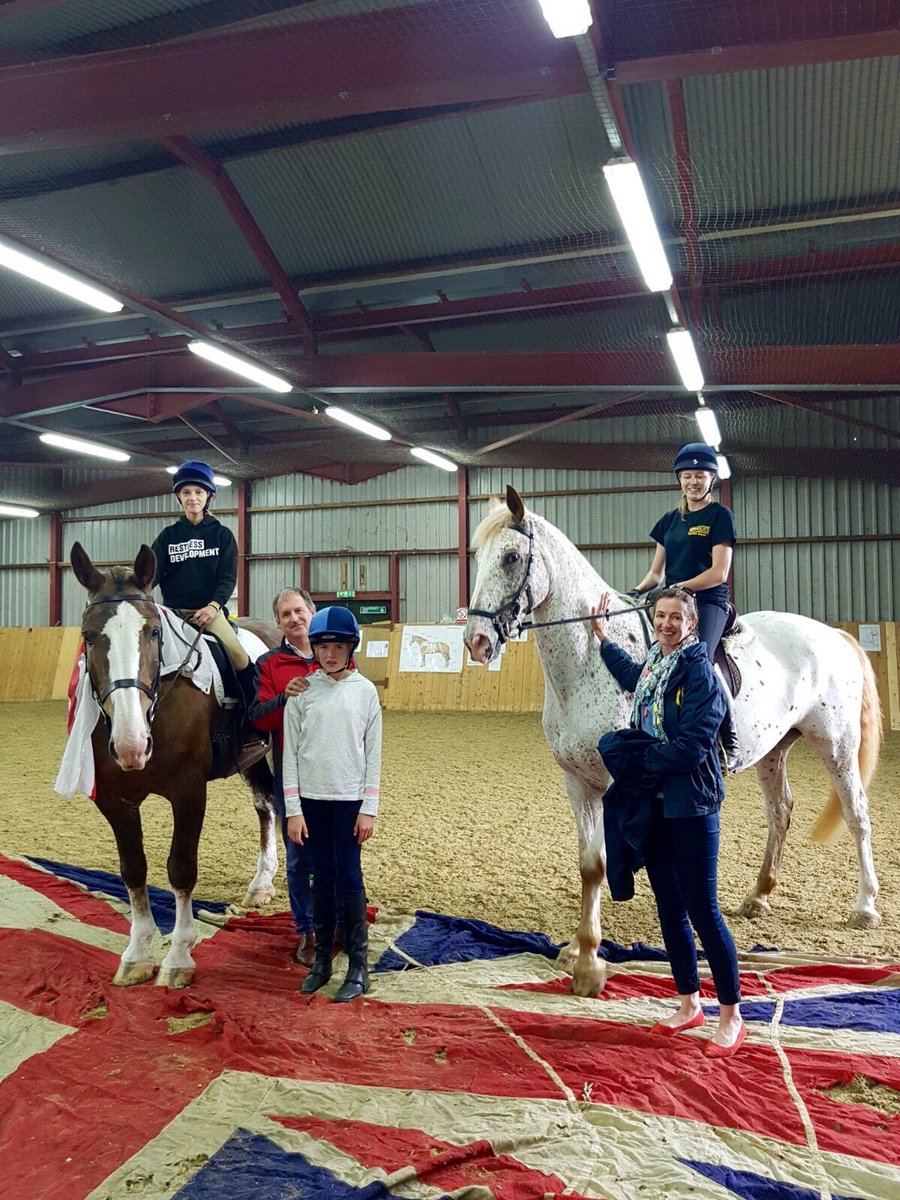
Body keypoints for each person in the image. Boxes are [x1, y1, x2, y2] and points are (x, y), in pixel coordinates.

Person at [592, 585, 745, 1058]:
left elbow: (693, 747)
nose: (666, 624)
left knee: (703, 910)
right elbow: (634, 676)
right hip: (656, 804)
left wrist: (638, 760)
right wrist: (602, 639)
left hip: (692, 805)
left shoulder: (699, 673)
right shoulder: (659, 666)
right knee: (669, 907)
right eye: (660, 616)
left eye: (676, 617)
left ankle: (732, 1015)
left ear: (692, 622)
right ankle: (688, 1002)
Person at [282, 607, 381, 1003]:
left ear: (350, 648)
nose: (331, 654)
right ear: (316, 649)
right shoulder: (302, 693)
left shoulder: (365, 692)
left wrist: (368, 807)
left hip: (349, 801)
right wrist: (293, 809)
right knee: (319, 879)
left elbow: (373, 754)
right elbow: (290, 754)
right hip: (311, 801)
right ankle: (323, 960)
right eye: (324, 647)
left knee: (349, 878)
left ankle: (358, 965)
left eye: (339, 647)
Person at [628, 442, 741, 770]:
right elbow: (655, 573)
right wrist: (635, 591)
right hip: (672, 603)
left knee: (702, 662)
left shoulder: (720, 516)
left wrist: (679, 588)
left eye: (701, 475)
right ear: (680, 479)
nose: (694, 481)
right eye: (688, 475)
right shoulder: (669, 521)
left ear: (712, 479)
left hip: (707, 602)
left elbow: (719, 572)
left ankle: (728, 735)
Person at [151, 460, 264, 766]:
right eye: (186, 492)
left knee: (238, 655)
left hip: (210, 613)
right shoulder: (167, 537)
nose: (192, 497)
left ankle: (251, 721)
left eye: (198, 492)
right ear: (179, 497)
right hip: (173, 614)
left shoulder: (222, 536)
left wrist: (213, 607)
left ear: (209, 497)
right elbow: (152, 575)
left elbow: (228, 578)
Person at [249, 588, 320, 965]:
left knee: (337, 853)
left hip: (333, 773)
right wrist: (283, 699)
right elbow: (259, 717)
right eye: (285, 615)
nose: (294, 619)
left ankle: (337, 920)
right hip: (291, 773)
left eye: (298, 611)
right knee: (297, 857)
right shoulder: (270, 664)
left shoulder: (336, 656)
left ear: (311, 612)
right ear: (278, 623)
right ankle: (306, 931)